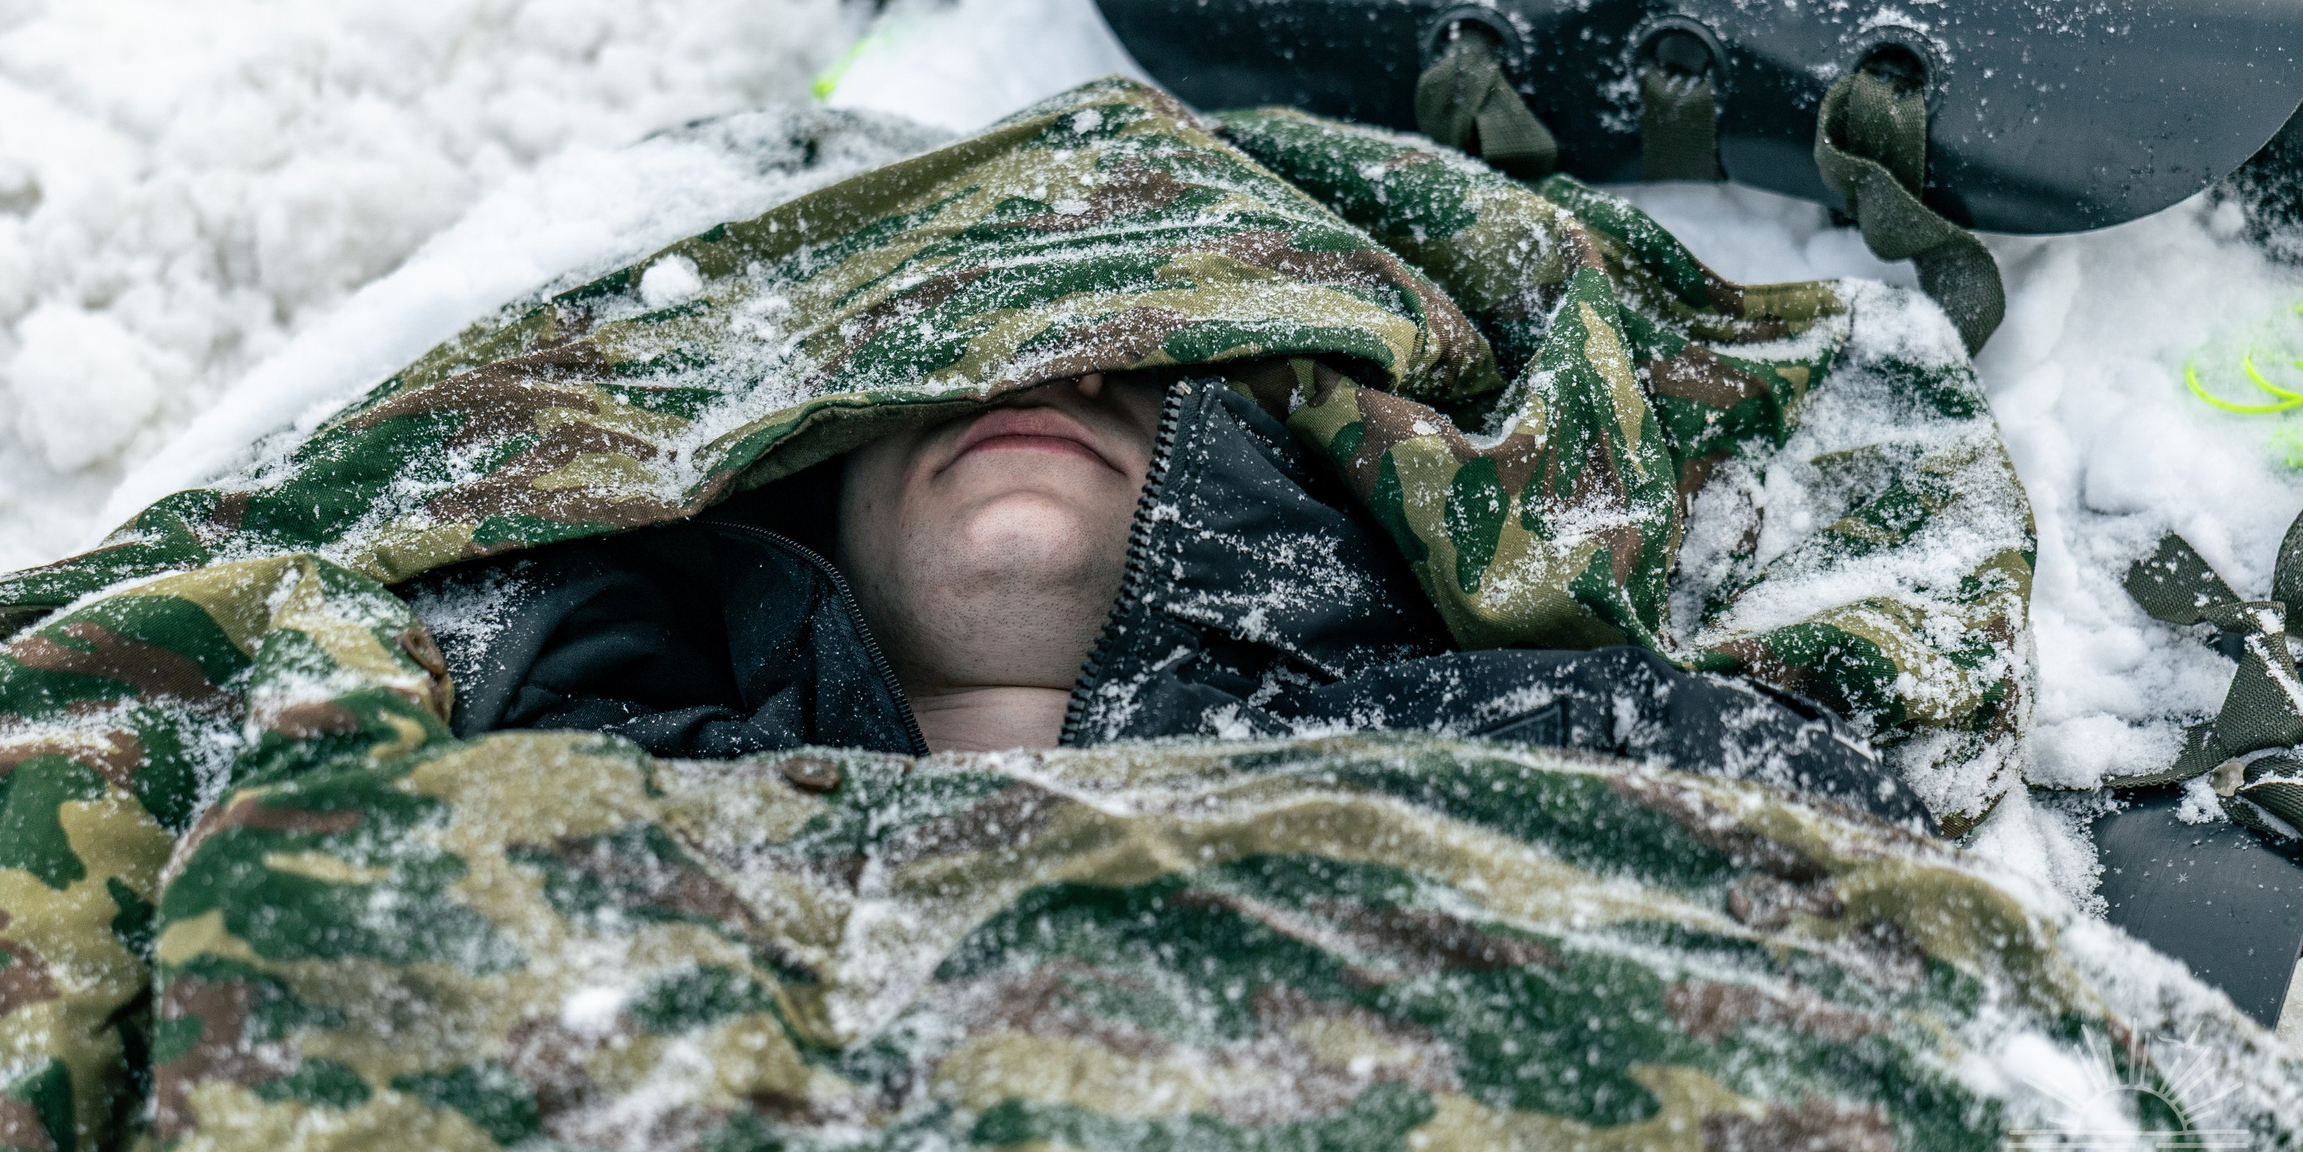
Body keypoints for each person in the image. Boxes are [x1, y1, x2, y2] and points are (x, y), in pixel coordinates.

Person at [421, 365, 1922, 826]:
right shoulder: (552, 779)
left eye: (1139, 360)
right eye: (951, 362)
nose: (1053, 376)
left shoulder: (1569, 748)